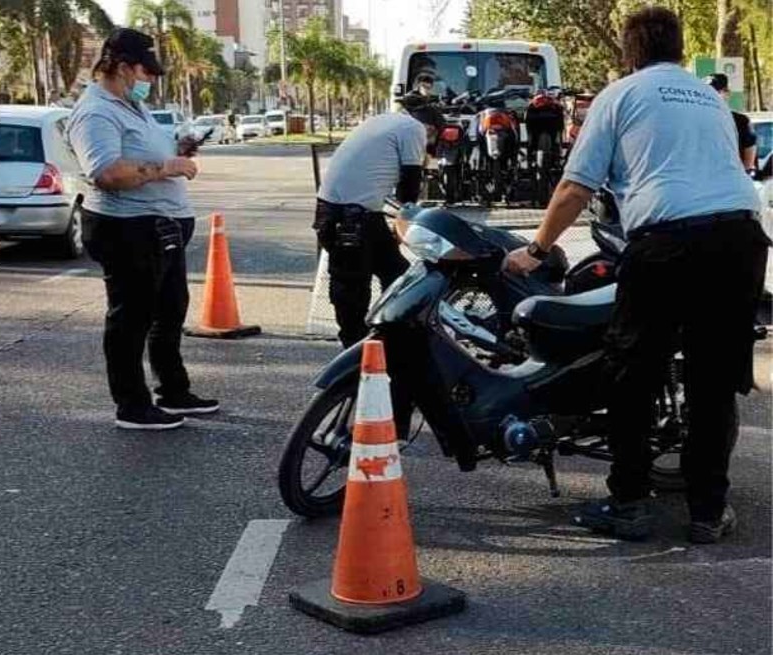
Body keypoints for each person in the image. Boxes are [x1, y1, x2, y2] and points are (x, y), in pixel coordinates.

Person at [504, 7, 767, 543]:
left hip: (669, 242)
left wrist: (535, 249)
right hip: (740, 239)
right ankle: (707, 513)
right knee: (713, 381)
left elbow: (576, 186)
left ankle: (628, 503)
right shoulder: (711, 99)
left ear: (631, 51)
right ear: (677, 48)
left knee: (633, 373)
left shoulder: (622, 93)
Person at [67, 28, 219, 431]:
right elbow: (107, 174)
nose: (150, 81)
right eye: (145, 72)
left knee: (169, 311)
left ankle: (173, 391)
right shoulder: (96, 111)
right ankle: (132, 405)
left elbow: (145, 155)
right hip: (125, 228)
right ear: (119, 68)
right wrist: (167, 167)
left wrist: (175, 152)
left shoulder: (130, 106)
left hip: (159, 227)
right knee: (130, 318)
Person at [314, 103, 442, 346]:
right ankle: (354, 348)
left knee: (396, 272)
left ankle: (393, 331)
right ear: (432, 129)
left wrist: (398, 221)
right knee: (353, 287)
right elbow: (409, 185)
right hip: (351, 217)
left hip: (347, 212)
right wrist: (407, 220)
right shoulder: (415, 129)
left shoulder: (387, 121)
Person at [706, 73, 759, 174]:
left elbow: (749, 160)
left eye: (716, 92)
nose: (711, 96)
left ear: (727, 93)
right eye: (707, 92)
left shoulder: (740, 121)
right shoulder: (698, 119)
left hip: (732, 179)